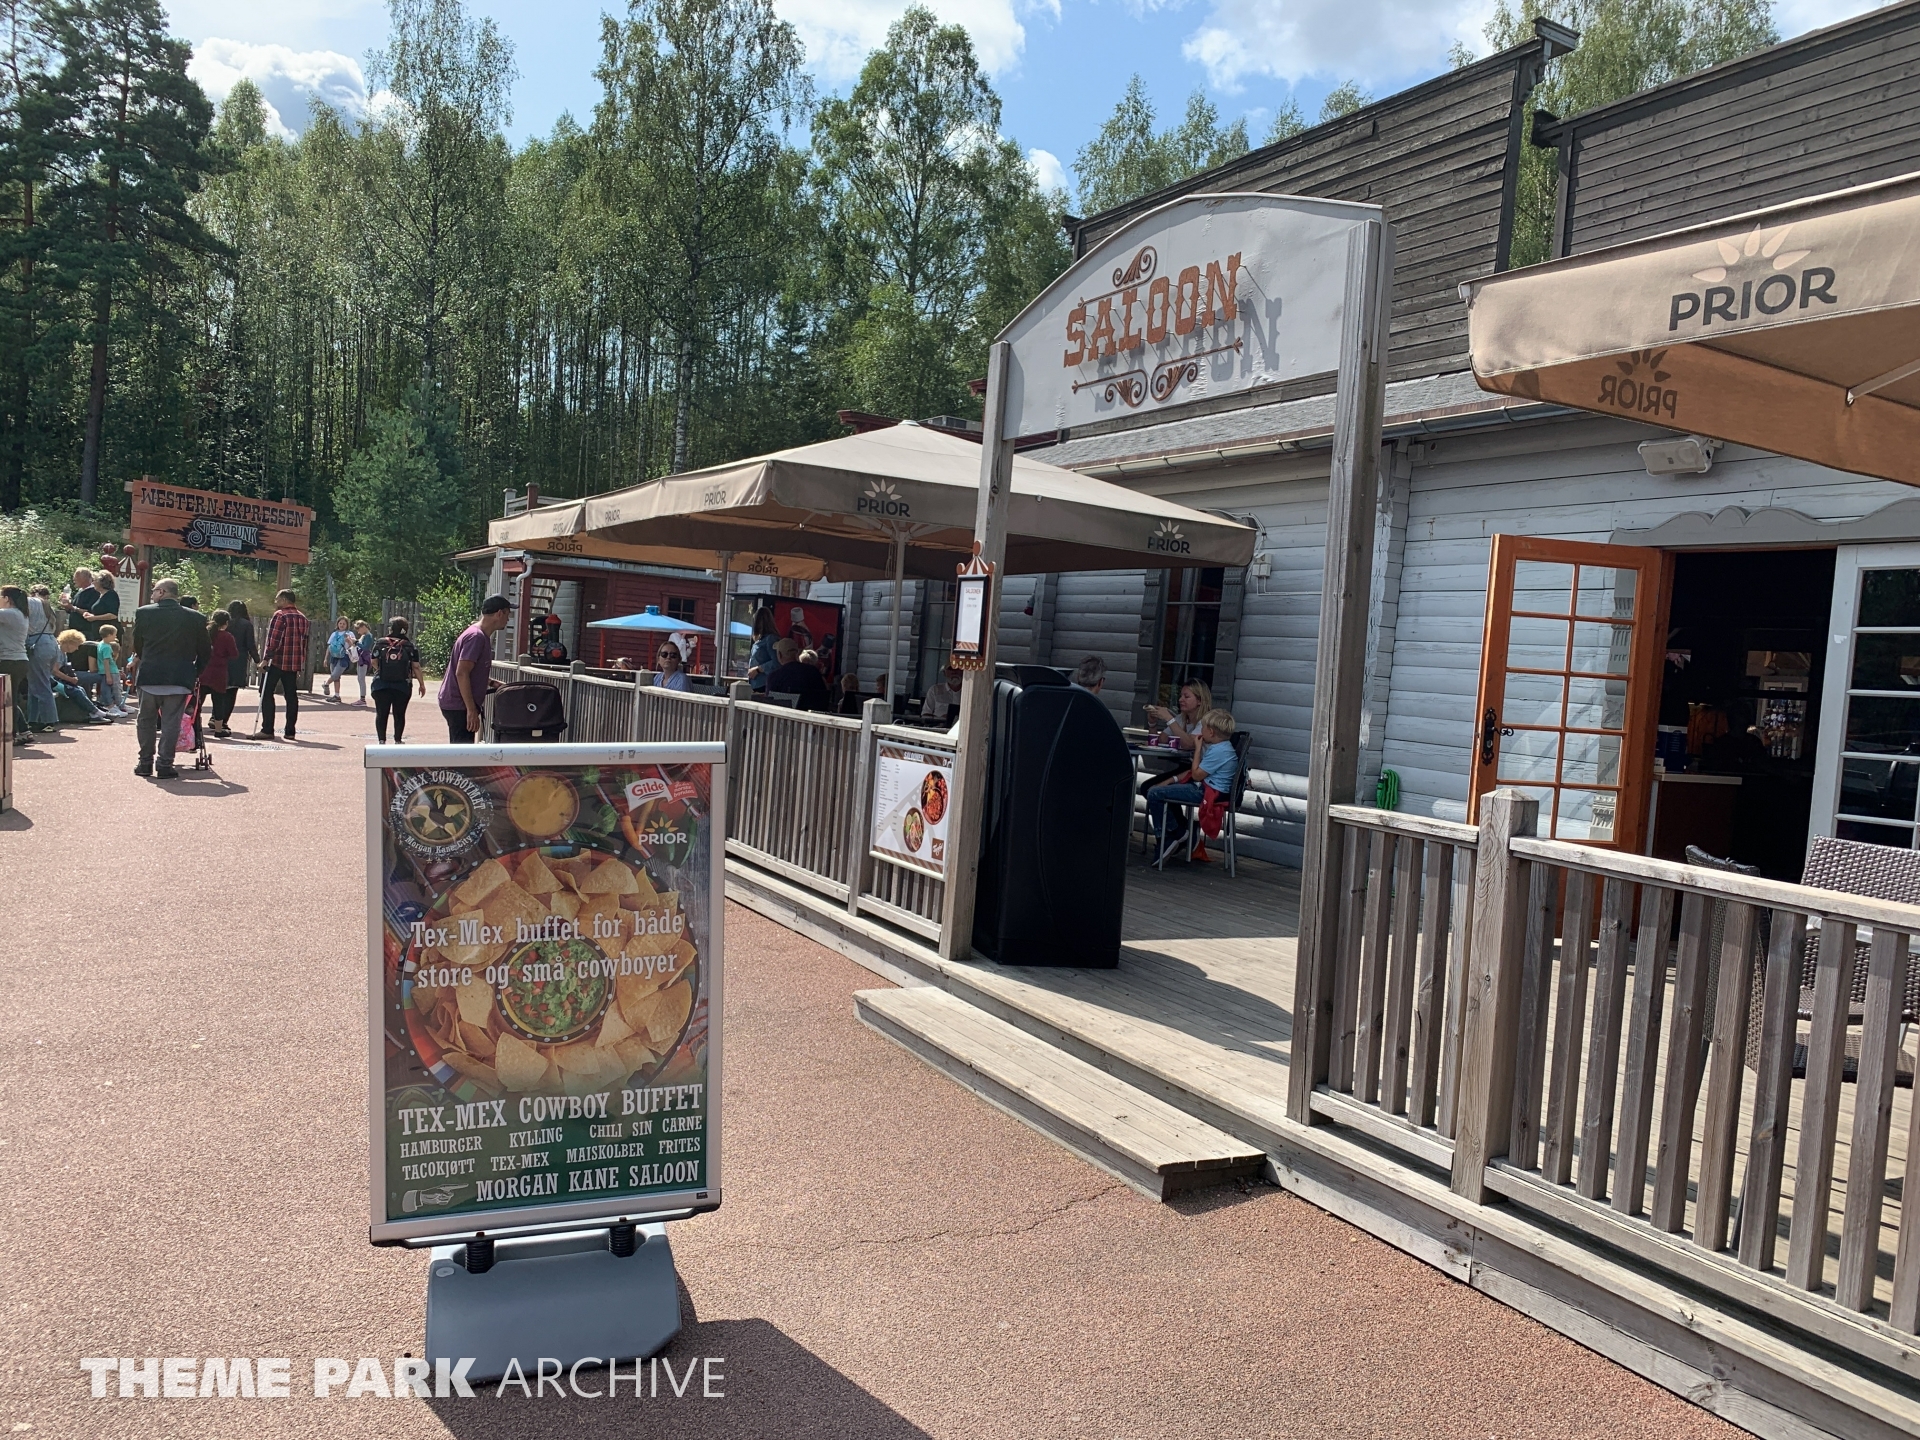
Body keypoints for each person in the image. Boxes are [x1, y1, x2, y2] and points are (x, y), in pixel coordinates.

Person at [129, 578, 210, 778]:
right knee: (171, 723)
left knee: (145, 720)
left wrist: (147, 658)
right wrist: (195, 672)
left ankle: (145, 763)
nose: (152, 595)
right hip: (179, 677)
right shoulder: (196, 618)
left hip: (150, 675)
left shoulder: (144, 613)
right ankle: (165, 764)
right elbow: (206, 651)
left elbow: (138, 644)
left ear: (162, 592)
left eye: (154, 591)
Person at [1147, 709, 1239, 861]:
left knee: (1154, 793)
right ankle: (1176, 833)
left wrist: (1197, 749)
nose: (1200, 732)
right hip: (1206, 788)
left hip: (1208, 792)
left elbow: (1196, 775)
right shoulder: (1221, 748)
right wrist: (1170, 781)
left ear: (1211, 732)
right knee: (1158, 790)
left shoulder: (1219, 751)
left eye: (1203, 728)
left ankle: (1173, 834)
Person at [439, 594, 514, 743]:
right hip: (458, 705)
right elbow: (462, 672)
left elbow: (471, 671)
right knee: (462, 752)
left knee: (463, 749)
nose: (508, 619)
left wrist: (491, 683)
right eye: (507, 614)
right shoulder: (476, 637)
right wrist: (471, 710)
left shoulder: (480, 635)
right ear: (499, 613)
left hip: (458, 703)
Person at [255, 589, 310, 741]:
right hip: (293, 662)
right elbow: (304, 643)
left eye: (277, 599)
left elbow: (274, 640)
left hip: (277, 661)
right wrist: (300, 662)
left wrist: (266, 659)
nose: (276, 602)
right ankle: (290, 730)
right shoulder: (303, 618)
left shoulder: (280, 615)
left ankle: (267, 729)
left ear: (284, 600)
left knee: (266, 692)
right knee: (291, 696)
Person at [369, 616, 425, 743]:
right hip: (402, 685)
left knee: (381, 713)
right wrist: (421, 684)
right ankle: (398, 740)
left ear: (391, 628)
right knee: (399, 714)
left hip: (381, 685)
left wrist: (381, 670)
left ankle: (381, 740)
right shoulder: (409, 646)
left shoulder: (380, 643)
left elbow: (373, 661)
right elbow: (416, 666)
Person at [53, 631, 114, 721]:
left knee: (81, 689)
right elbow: (55, 671)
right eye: (76, 645)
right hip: (53, 682)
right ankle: (95, 712)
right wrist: (70, 679)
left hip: (59, 680)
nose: (77, 648)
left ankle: (92, 712)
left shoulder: (63, 653)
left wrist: (72, 677)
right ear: (70, 643)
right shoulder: (58, 652)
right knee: (76, 691)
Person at [24, 584, 59, 730]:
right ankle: (33, 719)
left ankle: (48, 721)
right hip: (51, 642)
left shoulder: (31, 602)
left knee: (41, 684)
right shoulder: (48, 607)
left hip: (37, 643)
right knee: (37, 683)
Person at [200, 610, 240, 738]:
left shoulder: (204, 633)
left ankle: (194, 726)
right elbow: (234, 654)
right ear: (226, 623)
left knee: (198, 701)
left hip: (203, 670)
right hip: (219, 673)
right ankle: (218, 729)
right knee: (218, 702)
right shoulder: (227, 636)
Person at [765, 638, 830, 711]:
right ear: (797, 653)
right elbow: (823, 697)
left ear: (779, 655)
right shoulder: (813, 671)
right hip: (813, 716)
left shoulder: (774, 677)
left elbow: (770, 704)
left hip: (785, 716)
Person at [0, 585, 29, 743]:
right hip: (18, 660)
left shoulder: (9, 614)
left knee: (7, 700)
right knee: (11, 699)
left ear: (7, 598)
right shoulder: (20, 614)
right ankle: (20, 731)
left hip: (8, 661)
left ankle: (12, 735)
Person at [93, 625, 128, 715]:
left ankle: (118, 705)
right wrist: (108, 676)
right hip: (112, 671)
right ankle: (120, 705)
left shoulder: (100, 644)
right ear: (109, 635)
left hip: (105, 671)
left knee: (109, 689)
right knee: (116, 689)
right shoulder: (107, 647)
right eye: (114, 635)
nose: (115, 636)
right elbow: (106, 661)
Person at [226, 598, 258, 693]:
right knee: (233, 689)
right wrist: (257, 660)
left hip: (224, 658)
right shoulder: (247, 624)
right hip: (239, 659)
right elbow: (250, 645)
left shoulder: (225, 622)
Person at [745, 608, 779, 693]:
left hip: (764, 685)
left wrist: (758, 669)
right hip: (755, 684)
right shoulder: (760, 640)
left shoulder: (771, 639)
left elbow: (777, 662)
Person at [324, 616, 353, 700]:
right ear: (337, 624)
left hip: (344, 656)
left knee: (335, 674)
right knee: (336, 677)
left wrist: (349, 641)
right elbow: (329, 646)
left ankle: (326, 684)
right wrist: (325, 658)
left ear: (347, 625)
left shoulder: (350, 634)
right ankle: (337, 695)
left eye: (344, 623)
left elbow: (353, 646)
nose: (342, 625)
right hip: (334, 656)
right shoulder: (334, 634)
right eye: (340, 623)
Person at [351, 620, 374, 704]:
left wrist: (356, 642)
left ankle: (362, 698)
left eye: (358, 629)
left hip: (364, 658)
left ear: (363, 627)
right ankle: (362, 697)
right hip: (361, 657)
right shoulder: (365, 636)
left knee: (361, 678)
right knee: (360, 678)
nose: (358, 632)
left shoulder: (368, 636)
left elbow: (365, 647)